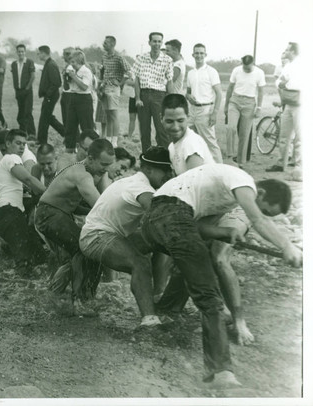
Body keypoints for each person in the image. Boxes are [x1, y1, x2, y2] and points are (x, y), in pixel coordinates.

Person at [142, 165, 302, 388]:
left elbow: (198, 227)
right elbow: (258, 220)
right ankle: (220, 372)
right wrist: (287, 245)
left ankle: (167, 309)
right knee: (210, 297)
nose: (262, 214)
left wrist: (225, 232)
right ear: (261, 193)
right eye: (266, 210)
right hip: (172, 216)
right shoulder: (244, 182)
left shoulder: (223, 191)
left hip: (154, 221)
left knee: (196, 262)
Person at [162, 93, 257, 345]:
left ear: (188, 118)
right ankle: (217, 311)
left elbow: (197, 192)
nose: (175, 127)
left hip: (228, 207)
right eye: (169, 121)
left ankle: (239, 321)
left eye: (180, 121)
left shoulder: (191, 147)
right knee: (193, 257)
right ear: (161, 120)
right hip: (208, 211)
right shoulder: (174, 146)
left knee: (218, 258)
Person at [79, 147, 172, 326]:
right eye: (165, 171)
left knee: (160, 245)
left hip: (107, 233)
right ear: (148, 169)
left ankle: (157, 297)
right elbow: (160, 216)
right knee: (140, 262)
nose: (169, 175)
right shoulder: (140, 187)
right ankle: (149, 319)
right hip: (95, 237)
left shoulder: (135, 181)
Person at [35, 139, 115, 306]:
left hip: (60, 214)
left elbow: (107, 198)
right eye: (103, 164)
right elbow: (101, 207)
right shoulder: (81, 175)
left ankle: (55, 293)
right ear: (91, 158)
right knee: (84, 249)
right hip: (47, 214)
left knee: (78, 253)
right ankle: (80, 299)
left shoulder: (94, 171)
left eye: (109, 165)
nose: (106, 169)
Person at [0, 129, 47, 275]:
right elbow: (28, 179)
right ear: (8, 143)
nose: (22, 147)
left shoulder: (2, 165)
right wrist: (51, 193)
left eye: (24, 144)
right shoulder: (11, 158)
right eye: (18, 143)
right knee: (24, 262)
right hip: (9, 213)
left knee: (39, 255)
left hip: (6, 215)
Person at [132, 32, 174, 152]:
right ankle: (146, 159)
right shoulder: (141, 58)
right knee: (144, 130)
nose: (157, 44)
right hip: (144, 96)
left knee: (161, 130)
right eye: (154, 41)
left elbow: (170, 82)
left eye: (159, 41)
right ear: (149, 42)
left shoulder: (167, 60)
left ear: (162, 43)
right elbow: (137, 80)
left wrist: (169, 101)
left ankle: (165, 158)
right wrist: (138, 98)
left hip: (159, 96)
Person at [266, 42, 301, 176]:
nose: (285, 52)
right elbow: (278, 81)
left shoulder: (302, 65)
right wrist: (285, 84)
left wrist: (286, 84)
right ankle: (282, 163)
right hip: (289, 103)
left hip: (301, 104)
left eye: (287, 50)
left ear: (293, 51)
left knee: (300, 138)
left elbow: (298, 84)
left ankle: (299, 166)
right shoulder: (288, 66)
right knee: (284, 136)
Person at [224, 55, 265, 167]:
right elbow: (230, 88)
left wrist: (259, 108)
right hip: (235, 101)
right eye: (244, 67)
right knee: (230, 128)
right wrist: (226, 105)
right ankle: (229, 157)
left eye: (248, 68)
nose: (246, 69)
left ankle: (241, 161)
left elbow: (261, 91)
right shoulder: (236, 70)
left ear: (253, 64)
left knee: (244, 134)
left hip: (249, 103)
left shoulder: (259, 73)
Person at [186, 43, 223, 163]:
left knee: (210, 143)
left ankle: (219, 170)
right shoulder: (191, 73)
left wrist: (214, 113)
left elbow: (219, 94)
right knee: (190, 139)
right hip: (193, 111)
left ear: (205, 55)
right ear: (193, 55)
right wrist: (188, 96)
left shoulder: (211, 71)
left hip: (206, 110)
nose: (199, 55)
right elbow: (188, 92)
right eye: (196, 53)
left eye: (201, 53)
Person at [100, 36, 130, 147]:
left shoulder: (119, 57)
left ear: (112, 44)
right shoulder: (103, 56)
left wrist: (121, 83)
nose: (103, 44)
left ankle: (114, 140)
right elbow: (103, 71)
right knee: (107, 115)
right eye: (104, 42)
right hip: (105, 88)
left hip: (114, 88)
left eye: (106, 43)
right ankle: (108, 139)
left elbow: (129, 71)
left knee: (114, 114)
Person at [65, 50, 95, 153]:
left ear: (79, 61)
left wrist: (74, 77)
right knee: (70, 125)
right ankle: (69, 149)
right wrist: (67, 77)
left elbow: (84, 87)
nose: (71, 64)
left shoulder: (86, 71)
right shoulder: (73, 71)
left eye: (73, 62)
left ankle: (90, 150)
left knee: (86, 127)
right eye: (70, 62)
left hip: (84, 99)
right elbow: (68, 86)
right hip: (73, 97)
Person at [37, 45, 65, 145]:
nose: (38, 54)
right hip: (50, 95)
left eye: (39, 53)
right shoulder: (49, 64)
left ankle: (41, 141)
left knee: (45, 117)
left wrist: (48, 95)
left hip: (51, 96)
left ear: (44, 53)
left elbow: (57, 82)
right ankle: (65, 133)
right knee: (48, 117)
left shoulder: (51, 64)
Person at [11, 44, 36, 137]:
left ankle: (32, 134)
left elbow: (33, 76)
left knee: (28, 112)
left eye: (22, 51)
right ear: (16, 52)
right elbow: (14, 77)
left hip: (27, 91)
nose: (20, 53)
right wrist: (17, 89)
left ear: (25, 52)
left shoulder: (29, 62)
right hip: (18, 91)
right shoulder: (14, 64)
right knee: (21, 113)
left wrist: (27, 88)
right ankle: (22, 133)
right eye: (19, 51)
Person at [61, 47, 75, 130]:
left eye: (64, 55)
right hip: (68, 93)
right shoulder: (68, 66)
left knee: (68, 119)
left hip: (69, 94)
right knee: (68, 119)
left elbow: (67, 86)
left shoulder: (70, 67)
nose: (63, 57)